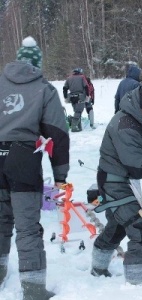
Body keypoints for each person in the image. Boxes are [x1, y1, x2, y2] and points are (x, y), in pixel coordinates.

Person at [0, 36, 70, 299]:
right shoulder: (44, 89)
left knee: (1, 220)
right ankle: (33, 289)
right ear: (37, 64)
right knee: (27, 226)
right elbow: (57, 135)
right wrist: (60, 175)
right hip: (23, 160)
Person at [90, 78, 142, 286]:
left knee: (118, 226)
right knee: (139, 231)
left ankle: (98, 267)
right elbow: (138, 166)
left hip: (124, 179)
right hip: (114, 182)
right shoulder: (126, 125)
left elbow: (138, 158)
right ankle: (136, 286)